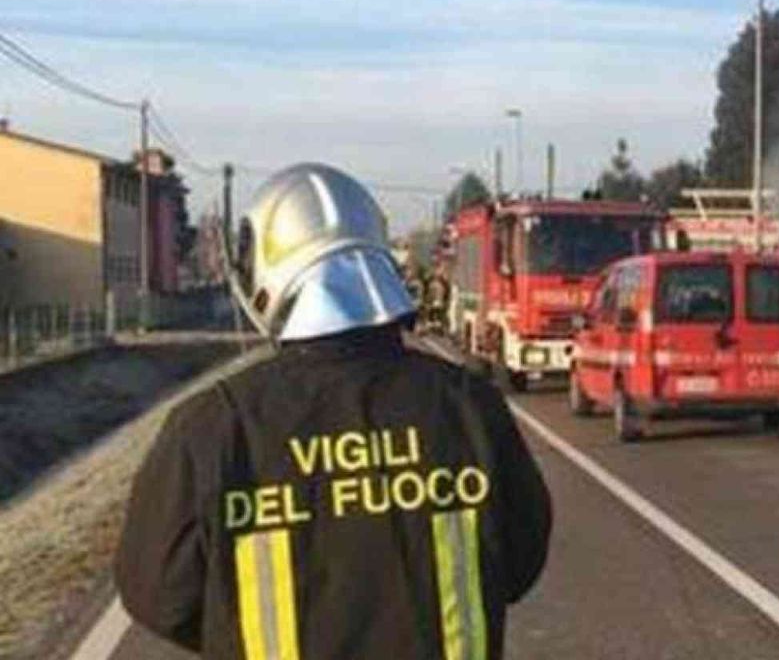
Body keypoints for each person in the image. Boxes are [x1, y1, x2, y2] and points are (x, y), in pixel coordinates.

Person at [115, 163, 551, 660]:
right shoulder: (469, 405)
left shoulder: (213, 428)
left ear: (265, 270)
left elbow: (157, 593)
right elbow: (520, 557)